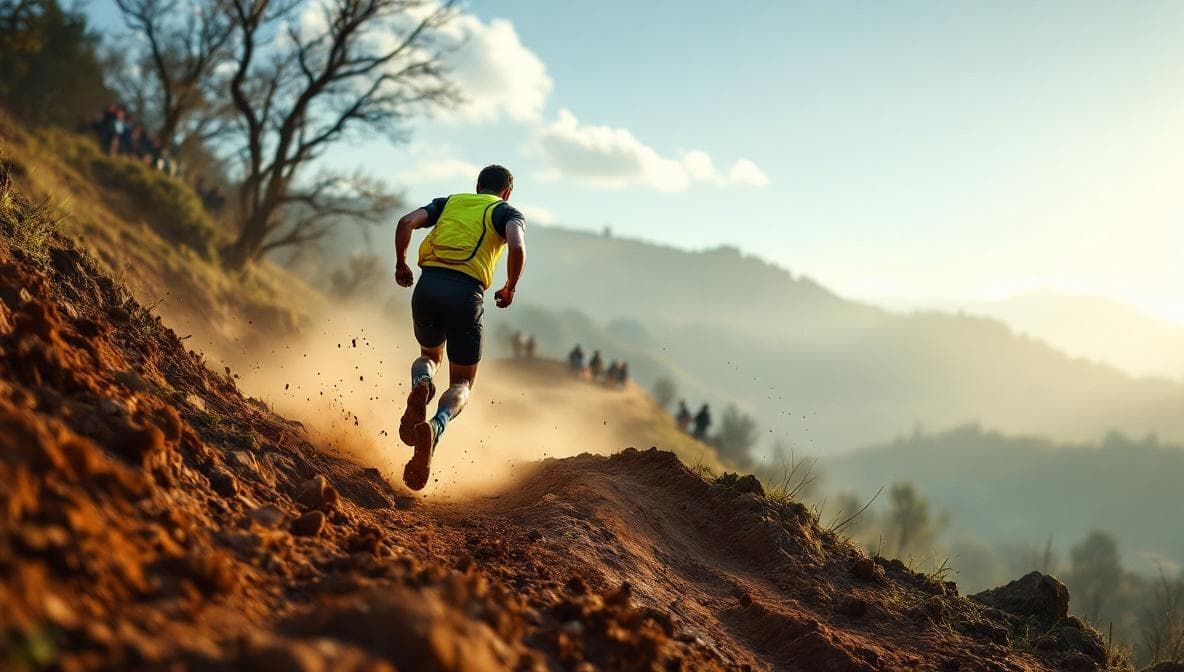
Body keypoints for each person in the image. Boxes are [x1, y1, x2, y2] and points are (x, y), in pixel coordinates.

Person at [393, 164, 527, 490]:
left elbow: (406, 222)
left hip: (427, 286)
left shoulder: (449, 202)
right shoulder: (506, 211)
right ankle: (436, 426)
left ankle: (422, 382)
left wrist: (401, 262)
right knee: (463, 382)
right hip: (466, 295)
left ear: (478, 185)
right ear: (506, 192)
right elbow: (517, 245)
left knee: (429, 355)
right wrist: (509, 286)